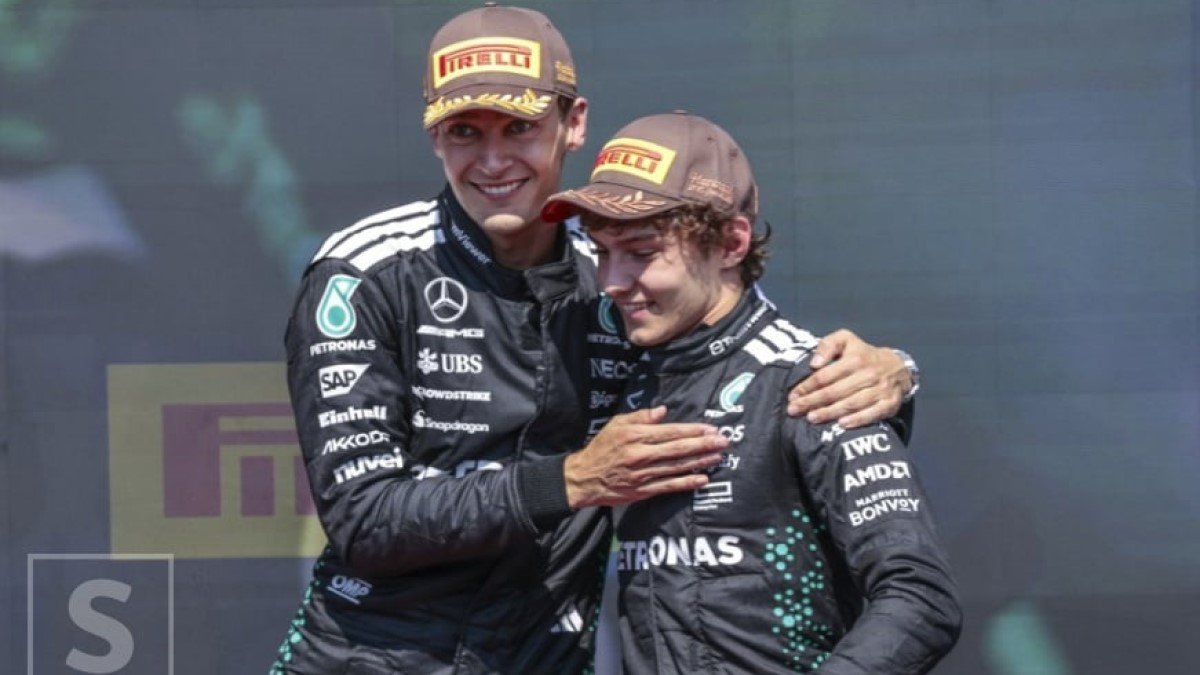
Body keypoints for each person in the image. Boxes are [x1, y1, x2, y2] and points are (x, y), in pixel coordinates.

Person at [270, 5, 918, 674]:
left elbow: (752, 353)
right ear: (435, 137)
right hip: (366, 658)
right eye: (464, 132)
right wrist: (573, 479)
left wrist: (892, 370)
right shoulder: (366, 272)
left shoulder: (617, 270)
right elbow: (364, 518)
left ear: (573, 124)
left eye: (519, 127)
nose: (492, 160)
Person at [543, 112, 960, 673]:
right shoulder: (619, 373)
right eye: (601, 253)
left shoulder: (818, 383)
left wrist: (899, 370)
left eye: (641, 252)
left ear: (731, 243)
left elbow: (920, 598)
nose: (612, 281)